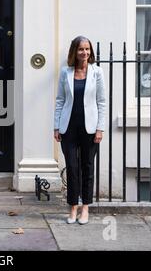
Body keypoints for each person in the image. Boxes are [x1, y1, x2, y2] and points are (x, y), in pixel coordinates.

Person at [54, 36, 106, 225]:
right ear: (74, 52)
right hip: (68, 127)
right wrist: (56, 126)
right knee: (72, 168)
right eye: (81, 49)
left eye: (87, 49)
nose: (85, 53)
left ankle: (86, 208)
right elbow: (60, 100)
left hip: (90, 128)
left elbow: (101, 102)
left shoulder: (97, 72)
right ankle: (73, 207)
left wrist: (100, 128)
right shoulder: (65, 73)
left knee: (87, 167)